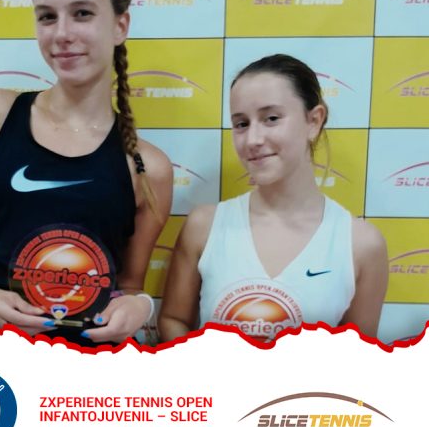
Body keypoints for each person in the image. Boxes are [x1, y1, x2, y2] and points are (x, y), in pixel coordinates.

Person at [0, 0, 173, 346]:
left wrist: (141, 306)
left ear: (120, 25)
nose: (62, 33)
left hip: (92, 371)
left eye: (82, 13)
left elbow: (130, 287)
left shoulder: (148, 167)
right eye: (47, 16)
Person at [159, 54, 388, 343]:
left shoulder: (362, 244)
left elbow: (358, 353)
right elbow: (174, 320)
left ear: (313, 121)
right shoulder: (204, 225)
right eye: (241, 123)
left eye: (271, 119)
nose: (253, 139)